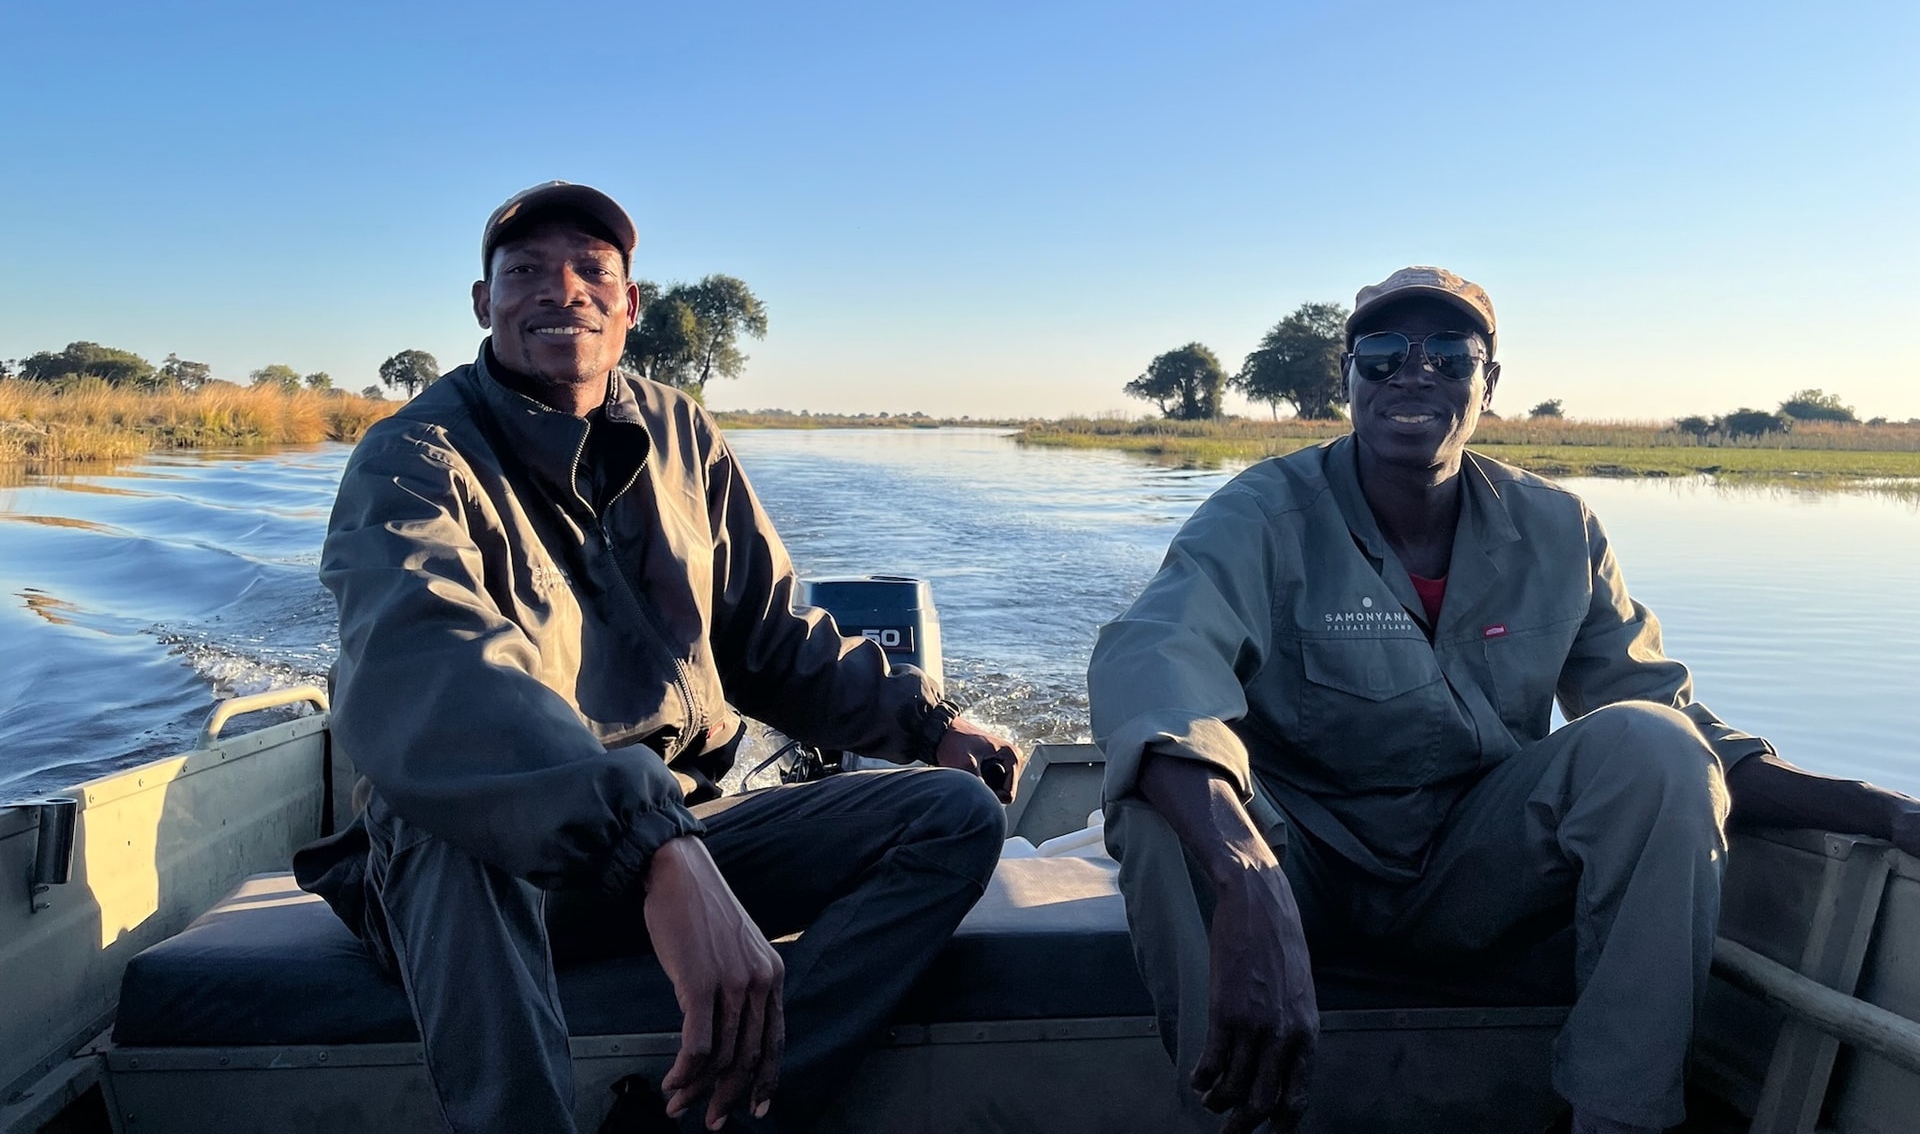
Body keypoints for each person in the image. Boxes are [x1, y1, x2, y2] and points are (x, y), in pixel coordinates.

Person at [1087, 265, 1920, 1134]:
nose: (1416, 373)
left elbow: (1680, 731)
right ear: (1346, 380)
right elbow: (1155, 669)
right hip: (1305, 869)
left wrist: (1883, 811)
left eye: (1451, 355)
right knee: (1158, 801)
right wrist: (1248, 877)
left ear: (1489, 384)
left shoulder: (1559, 529)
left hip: (1473, 874)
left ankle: (1620, 1117)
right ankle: (1232, 1112)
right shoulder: (1261, 513)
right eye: (1382, 355)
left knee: (1655, 748)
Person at [293, 181, 1021, 1134]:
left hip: (669, 829)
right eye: (525, 273)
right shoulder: (414, 459)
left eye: (594, 271)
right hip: (504, 863)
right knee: (440, 815)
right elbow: (434, 670)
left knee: (954, 814)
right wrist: (652, 846)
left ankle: (725, 1118)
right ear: (484, 304)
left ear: (630, 306)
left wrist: (929, 725)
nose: (564, 293)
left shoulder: (684, 433)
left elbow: (770, 636)